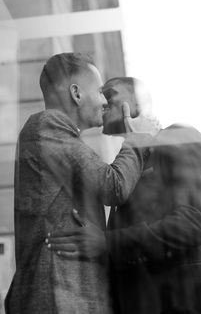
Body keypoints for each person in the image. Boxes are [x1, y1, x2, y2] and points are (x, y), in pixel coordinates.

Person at [48, 77, 201, 314]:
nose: (103, 100)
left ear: (138, 103)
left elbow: (194, 223)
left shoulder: (177, 137)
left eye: (110, 93)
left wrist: (107, 243)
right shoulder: (130, 164)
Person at [5, 57, 159, 314]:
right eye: (100, 91)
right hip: (59, 298)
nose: (104, 101)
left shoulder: (59, 135)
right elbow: (113, 186)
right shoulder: (47, 125)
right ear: (76, 93)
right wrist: (138, 140)